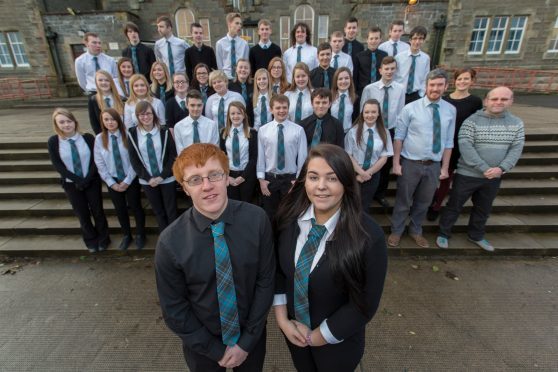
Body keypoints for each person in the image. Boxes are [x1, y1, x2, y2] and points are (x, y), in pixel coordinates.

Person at [155, 143, 275, 372]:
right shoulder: (170, 242)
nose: (207, 186)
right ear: (184, 188)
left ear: (227, 177)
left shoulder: (258, 220)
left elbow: (265, 281)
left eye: (214, 175)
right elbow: (174, 309)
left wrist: (247, 342)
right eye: (195, 180)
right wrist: (215, 351)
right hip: (201, 347)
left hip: (252, 338)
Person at [273, 144, 387, 372]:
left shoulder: (369, 236)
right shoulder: (287, 219)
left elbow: (364, 304)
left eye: (332, 178)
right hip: (295, 334)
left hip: (338, 344)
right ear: (303, 181)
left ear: (346, 183)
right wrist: (283, 320)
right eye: (313, 177)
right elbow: (279, 271)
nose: (321, 187)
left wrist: (317, 337)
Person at [436, 86, 524, 252]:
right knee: (454, 205)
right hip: (467, 173)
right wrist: (484, 168)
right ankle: (444, 233)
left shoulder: (516, 124)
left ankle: (476, 235)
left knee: (483, 208)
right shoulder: (472, 121)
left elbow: (516, 148)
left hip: (494, 176)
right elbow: (465, 146)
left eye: (504, 99)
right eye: (494, 99)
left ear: (511, 101)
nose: (498, 102)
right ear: (486, 101)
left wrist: (501, 168)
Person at [388, 69, 456, 249]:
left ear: (446, 87)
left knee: (424, 201)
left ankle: (416, 230)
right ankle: (397, 230)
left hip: (433, 164)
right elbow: (399, 137)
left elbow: (448, 142)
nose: (435, 88)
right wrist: (396, 163)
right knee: (403, 200)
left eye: (439, 85)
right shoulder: (410, 109)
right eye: (432, 85)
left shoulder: (450, 110)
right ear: (426, 86)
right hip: (411, 162)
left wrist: (445, 167)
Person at [48, 108, 110, 253]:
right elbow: (58, 165)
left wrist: (87, 178)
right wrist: (77, 180)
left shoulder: (87, 138)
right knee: (82, 213)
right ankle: (90, 239)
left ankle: (103, 238)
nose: (66, 125)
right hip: (71, 184)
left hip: (91, 181)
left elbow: (96, 160)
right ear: (57, 125)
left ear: (74, 122)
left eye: (69, 121)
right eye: (62, 122)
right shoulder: (54, 142)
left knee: (98, 211)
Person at [428, 68, 483, 221]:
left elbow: (476, 124)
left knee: (446, 176)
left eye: (466, 79)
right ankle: (429, 199)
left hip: (458, 144)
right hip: (439, 142)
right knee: (432, 175)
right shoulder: (444, 100)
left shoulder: (475, 101)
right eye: (460, 79)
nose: (462, 82)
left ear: (472, 81)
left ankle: (437, 205)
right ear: (454, 81)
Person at [94, 108, 146, 250]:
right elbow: (100, 163)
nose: (110, 122)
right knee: (120, 209)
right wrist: (111, 183)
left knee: (136, 207)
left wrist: (127, 181)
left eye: (113, 119)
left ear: (118, 120)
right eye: (106, 120)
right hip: (113, 180)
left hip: (130, 178)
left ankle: (140, 234)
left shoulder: (128, 135)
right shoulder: (99, 139)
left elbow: (134, 160)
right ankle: (126, 235)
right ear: (102, 122)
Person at [360, 56, 405, 208]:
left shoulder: (400, 89)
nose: (389, 71)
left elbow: (400, 112)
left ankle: (380, 194)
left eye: (392, 68)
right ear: (380, 70)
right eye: (386, 69)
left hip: (389, 129)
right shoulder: (369, 89)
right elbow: (363, 111)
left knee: (384, 165)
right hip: (370, 127)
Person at [128, 101, 177, 232]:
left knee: (171, 211)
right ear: (137, 116)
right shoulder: (132, 134)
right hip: (147, 180)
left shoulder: (164, 131)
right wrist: (148, 178)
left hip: (166, 178)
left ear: (153, 114)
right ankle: (165, 240)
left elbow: (173, 156)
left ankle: (175, 238)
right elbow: (134, 160)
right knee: (159, 212)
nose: (145, 117)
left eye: (148, 113)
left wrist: (162, 176)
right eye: (141, 114)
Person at [257, 94, 308, 219]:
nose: (281, 111)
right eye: (278, 108)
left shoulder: (298, 130)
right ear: (271, 109)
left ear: (288, 109)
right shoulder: (263, 130)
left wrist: (298, 180)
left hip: (290, 180)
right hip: (270, 180)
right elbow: (261, 156)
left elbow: (302, 157)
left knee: (290, 215)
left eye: (284, 107)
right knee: (270, 215)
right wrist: (261, 179)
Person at [345, 99, 393, 213]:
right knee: (351, 205)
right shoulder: (353, 132)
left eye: (373, 112)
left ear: (378, 113)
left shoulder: (384, 132)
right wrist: (361, 172)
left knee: (364, 206)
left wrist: (368, 173)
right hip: (355, 173)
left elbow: (384, 157)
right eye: (367, 112)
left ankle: (360, 229)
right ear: (362, 113)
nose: (370, 115)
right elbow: (348, 154)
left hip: (373, 174)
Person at [220, 101, 258, 202]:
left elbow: (254, 158)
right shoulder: (224, 133)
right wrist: (227, 176)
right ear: (228, 116)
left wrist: (243, 177)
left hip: (247, 176)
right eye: (232, 113)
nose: (236, 116)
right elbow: (221, 157)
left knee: (247, 204)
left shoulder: (252, 133)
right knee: (232, 205)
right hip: (230, 175)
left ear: (244, 115)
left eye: (239, 113)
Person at [174, 89, 219, 154]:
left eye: (199, 105)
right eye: (192, 105)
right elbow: (180, 153)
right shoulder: (178, 127)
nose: (196, 109)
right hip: (187, 162)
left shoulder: (212, 125)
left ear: (203, 105)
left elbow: (214, 150)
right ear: (186, 105)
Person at [394, 26, 430, 104]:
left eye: (420, 39)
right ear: (410, 40)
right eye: (415, 38)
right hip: (400, 93)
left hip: (416, 95)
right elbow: (394, 76)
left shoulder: (426, 58)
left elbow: (425, 78)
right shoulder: (399, 57)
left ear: (423, 40)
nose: (417, 42)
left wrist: (421, 94)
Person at [353, 26, 387, 96]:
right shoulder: (359, 56)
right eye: (371, 38)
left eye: (376, 38)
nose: (373, 41)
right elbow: (355, 76)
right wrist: (355, 92)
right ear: (367, 40)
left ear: (380, 39)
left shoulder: (384, 55)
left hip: (379, 90)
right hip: (363, 91)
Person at [88, 70, 125, 134]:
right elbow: (94, 123)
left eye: (107, 80)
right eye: (100, 80)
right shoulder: (93, 100)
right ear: (96, 82)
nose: (104, 82)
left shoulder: (121, 99)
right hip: (105, 136)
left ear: (111, 82)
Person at [216, 12, 249, 80]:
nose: (239, 26)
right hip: (226, 79)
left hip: (240, 79)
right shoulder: (220, 43)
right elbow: (220, 65)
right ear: (229, 24)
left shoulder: (244, 44)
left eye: (240, 24)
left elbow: (246, 64)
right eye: (237, 23)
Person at [228, 59, 254, 125]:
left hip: (252, 120)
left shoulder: (255, 85)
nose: (243, 70)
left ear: (250, 70)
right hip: (235, 120)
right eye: (240, 67)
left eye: (246, 68)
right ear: (236, 69)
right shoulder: (229, 86)